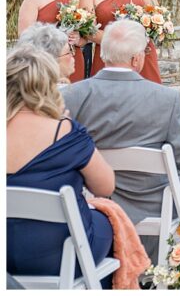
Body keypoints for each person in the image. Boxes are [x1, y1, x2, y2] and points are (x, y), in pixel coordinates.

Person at [61, 20, 180, 263]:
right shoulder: (165, 98)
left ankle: (149, 262)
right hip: (157, 198)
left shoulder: (72, 95)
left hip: (101, 198)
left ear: (104, 53)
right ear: (137, 59)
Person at [7, 44, 116, 281]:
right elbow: (105, 187)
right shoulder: (64, 131)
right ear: (48, 84)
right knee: (108, 223)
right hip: (59, 255)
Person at [17, 0, 87, 82]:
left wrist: (78, 39)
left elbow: (85, 39)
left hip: (73, 60)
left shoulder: (74, 1)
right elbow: (24, 36)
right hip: (45, 62)